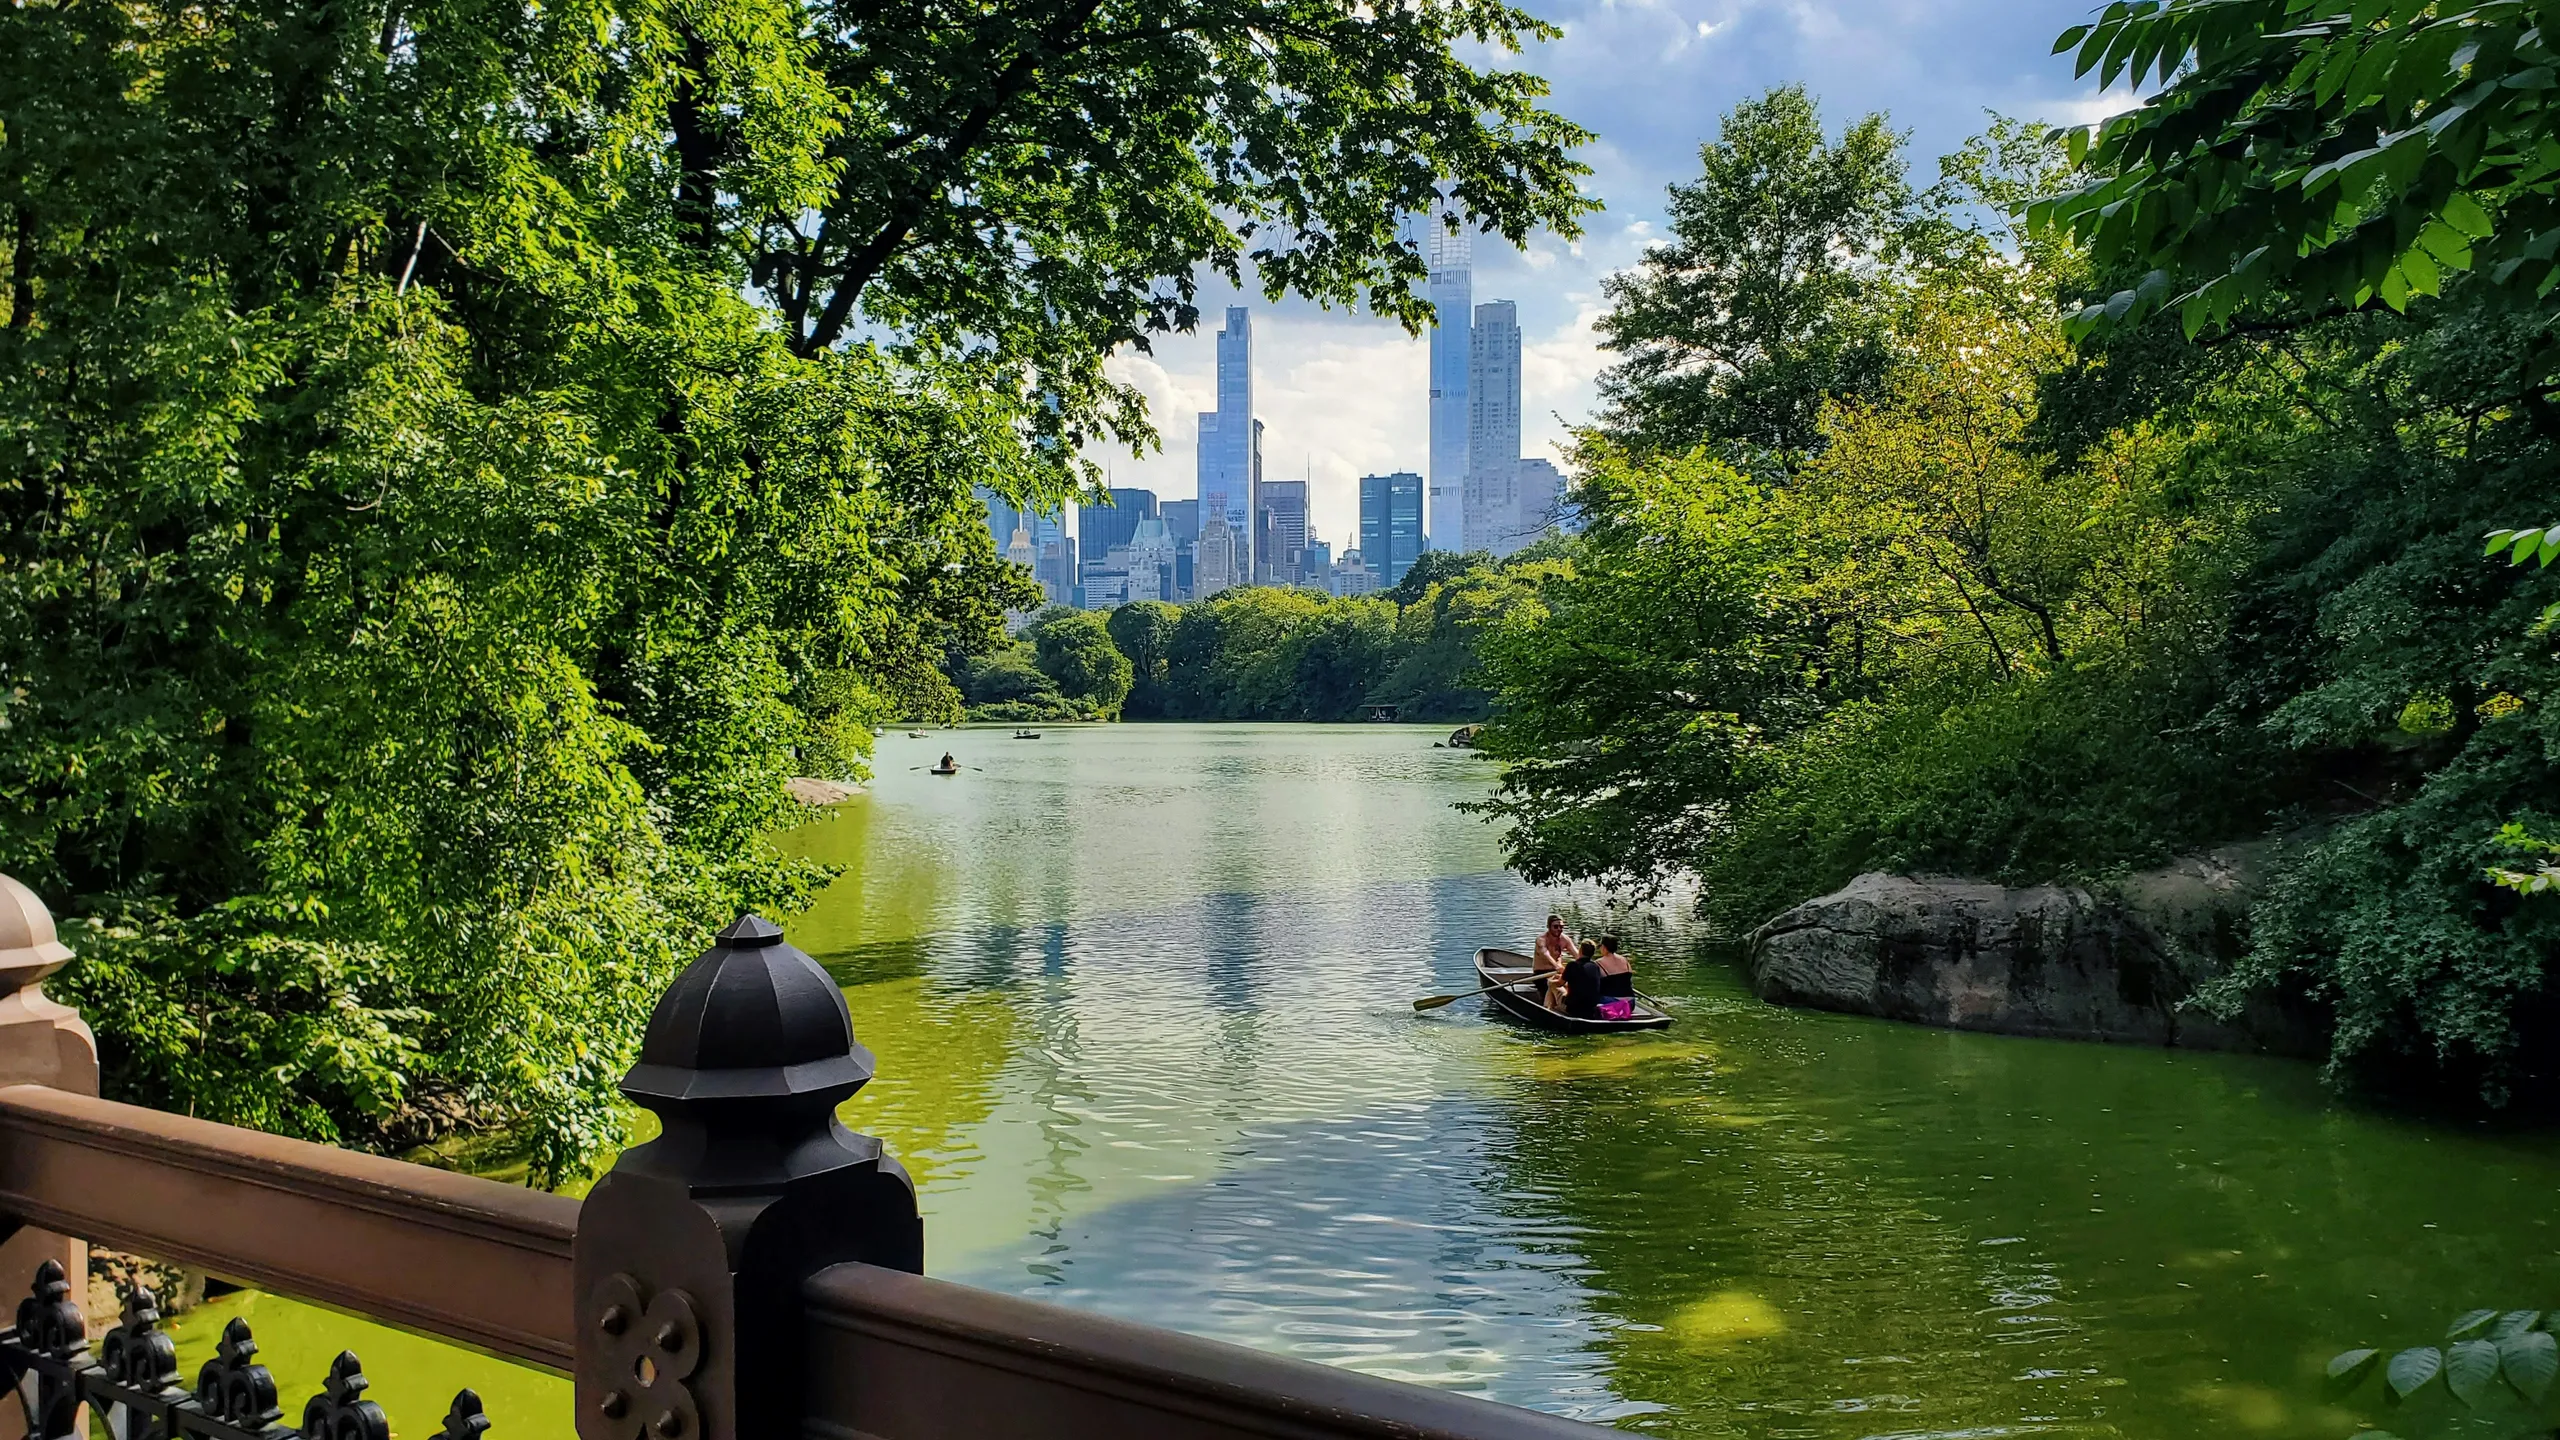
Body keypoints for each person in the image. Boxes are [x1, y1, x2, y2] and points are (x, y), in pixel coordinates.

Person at [1552, 940, 1605, 1020]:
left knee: (1551, 985)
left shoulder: (1572, 965)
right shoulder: (1595, 967)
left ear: (1580, 951)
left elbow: (1559, 983)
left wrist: (1550, 981)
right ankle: (1551, 1008)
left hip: (1574, 1009)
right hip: (1591, 1010)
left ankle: (1547, 1008)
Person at [1593, 934, 1636, 1020]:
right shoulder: (1625, 960)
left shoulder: (1598, 963)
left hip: (1613, 1003)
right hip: (1631, 1003)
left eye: (1601, 946)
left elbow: (1594, 984)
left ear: (1604, 947)